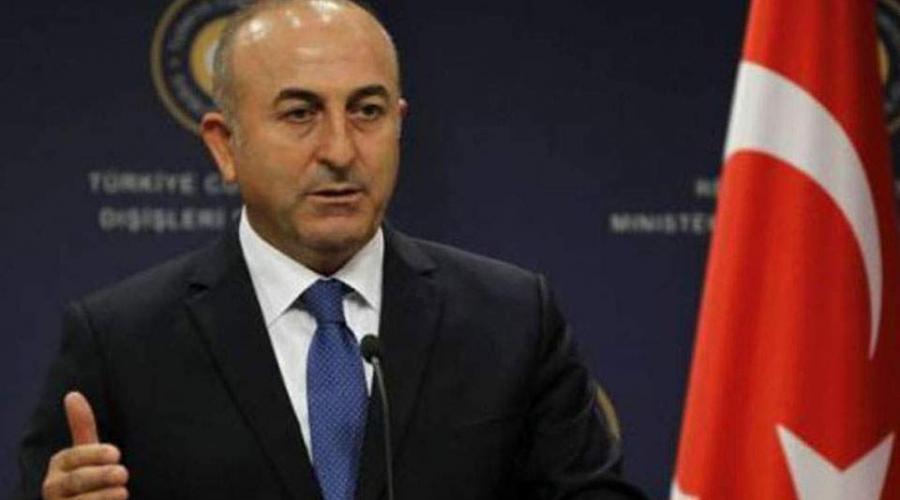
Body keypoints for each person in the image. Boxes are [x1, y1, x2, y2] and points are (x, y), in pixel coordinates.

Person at [14, 1, 646, 499]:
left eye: (367, 111)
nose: (341, 150)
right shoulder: (120, 342)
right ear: (225, 145)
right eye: (300, 114)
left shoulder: (511, 319)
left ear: (399, 124)